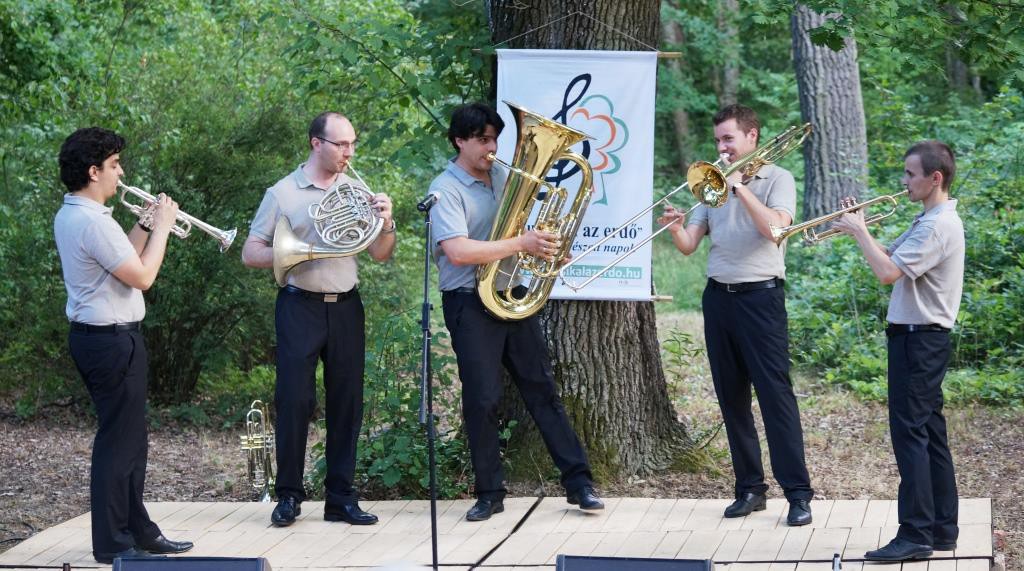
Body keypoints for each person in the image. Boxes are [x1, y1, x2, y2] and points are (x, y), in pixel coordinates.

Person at [428, 102, 603, 522]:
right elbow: (458, 250)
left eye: (495, 138)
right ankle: (490, 493)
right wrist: (522, 245)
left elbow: (530, 230)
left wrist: (549, 248)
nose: (492, 147)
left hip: (511, 292)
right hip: (469, 302)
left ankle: (579, 483)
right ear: (459, 141)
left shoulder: (506, 175)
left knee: (542, 390)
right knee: (483, 399)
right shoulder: (444, 188)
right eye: (483, 139)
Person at [658, 104, 813, 526]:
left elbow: (775, 230)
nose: (721, 148)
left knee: (775, 398)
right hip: (718, 298)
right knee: (732, 399)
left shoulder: (778, 179)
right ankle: (750, 489)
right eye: (717, 141)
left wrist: (739, 186)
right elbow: (691, 244)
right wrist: (675, 227)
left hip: (761, 299)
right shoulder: (711, 184)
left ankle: (798, 494)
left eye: (728, 139)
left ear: (752, 137)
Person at [241, 112, 395, 527]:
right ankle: (289, 495)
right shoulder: (283, 193)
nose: (349, 152)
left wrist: (387, 222)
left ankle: (341, 498)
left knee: (347, 403)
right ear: (316, 144)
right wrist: (299, 249)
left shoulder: (357, 191)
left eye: (352, 144)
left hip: (346, 305)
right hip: (299, 305)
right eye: (341, 144)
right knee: (295, 400)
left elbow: (381, 253)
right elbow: (250, 251)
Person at [54, 127, 195, 563]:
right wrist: (165, 229)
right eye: (114, 165)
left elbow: (121, 264)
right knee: (119, 443)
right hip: (111, 343)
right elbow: (144, 276)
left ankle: (138, 531)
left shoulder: (79, 215)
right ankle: (115, 544)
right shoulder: (91, 221)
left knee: (130, 441)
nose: (122, 173)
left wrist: (144, 223)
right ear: (94, 171)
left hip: (108, 340)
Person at [833, 140, 963, 562]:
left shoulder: (936, 226)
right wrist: (863, 227)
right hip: (919, 338)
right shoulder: (926, 219)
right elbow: (891, 257)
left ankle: (915, 533)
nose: (904, 182)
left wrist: (858, 230)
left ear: (934, 178)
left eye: (910, 174)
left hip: (919, 339)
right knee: (929, 434)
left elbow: (887, 273)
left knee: (910, 436)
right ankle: (942, 529)